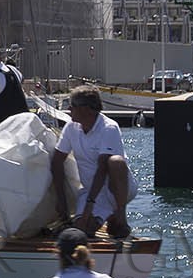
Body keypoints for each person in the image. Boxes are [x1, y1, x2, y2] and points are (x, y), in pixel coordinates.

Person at [52, 85, 133, 239]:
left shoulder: (109, 128)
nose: (69, 109)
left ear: (86, 109)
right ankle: (109, 219)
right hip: (90, 189)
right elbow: (57, 161)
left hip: (113, 189)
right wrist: (61, 200)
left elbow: (102, 168)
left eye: (73, 106)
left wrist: (90, 205)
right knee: (81, 231)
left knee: (116, 161)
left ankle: (120, 217)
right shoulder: (71, 127)